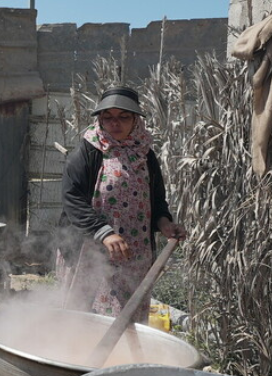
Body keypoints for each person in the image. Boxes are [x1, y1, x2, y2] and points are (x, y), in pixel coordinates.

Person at [60, 86, 187, 321]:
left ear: (136, 120)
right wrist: (105, 233)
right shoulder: (89, 151)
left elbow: (156, 201)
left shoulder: (145, 154)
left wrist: (165, 223)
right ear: (100, 119)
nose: (114, 123)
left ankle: (124, 358)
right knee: (87, 318)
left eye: (123, 117)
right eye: (107, 117)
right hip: (91, 252)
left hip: (134, 255)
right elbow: (72, 198)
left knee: (128, 318)